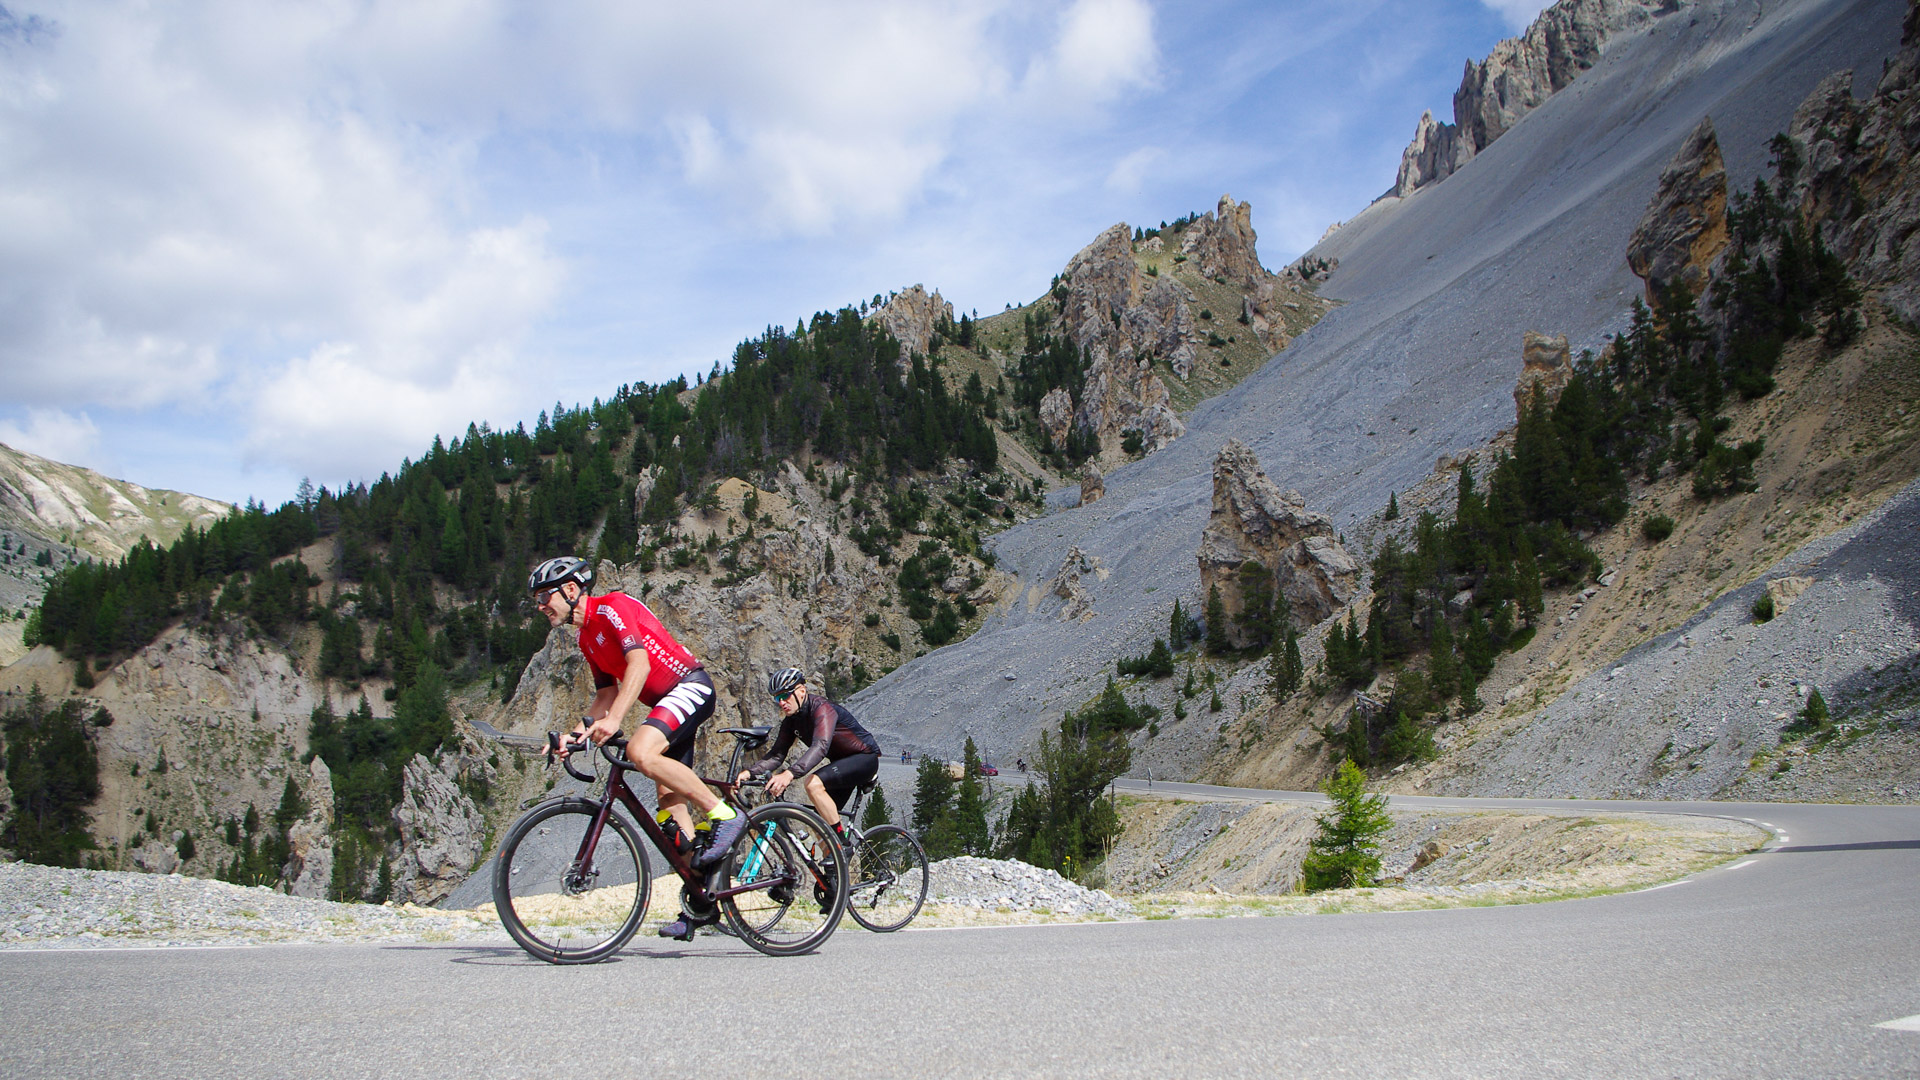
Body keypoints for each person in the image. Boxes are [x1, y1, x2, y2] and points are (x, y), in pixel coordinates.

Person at [526, 556, 745, 940]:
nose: (541, 606)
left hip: (689, 686)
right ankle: (701, 904)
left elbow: (639, 666)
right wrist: (574, 736)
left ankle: (726, 815)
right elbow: (605, 694)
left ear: (572, 589)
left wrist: (614, 722)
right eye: (536, 599)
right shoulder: (585, 639)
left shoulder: (611, 607)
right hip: (667, 703)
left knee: (640, 751)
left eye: (546, 596)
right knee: (671, 814)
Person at [737, 668, 881, 848]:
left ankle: (841, 844)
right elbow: (777, 755)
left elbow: (820, 746)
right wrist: (749, 773)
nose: (782, 702)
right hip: (841, 765)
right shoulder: (791, 721)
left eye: (785, 696)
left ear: (802, 691)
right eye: (777, 698)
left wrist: (789, 774)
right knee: (820, 827)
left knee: (812, 783)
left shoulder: (822, 708)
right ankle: (835, 872)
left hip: (864, 758)